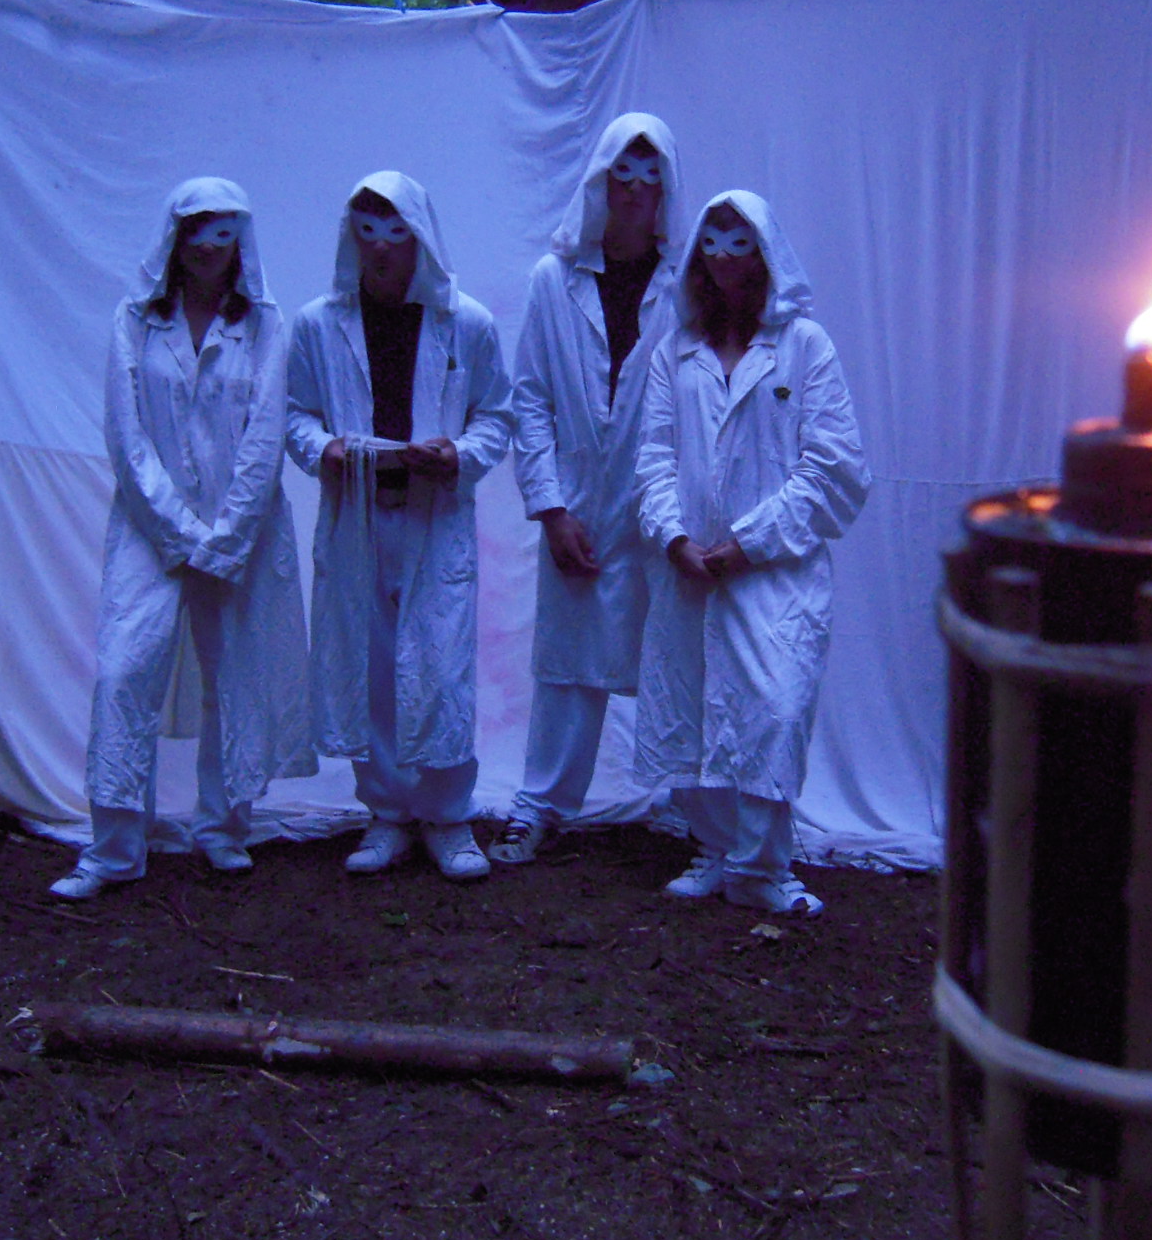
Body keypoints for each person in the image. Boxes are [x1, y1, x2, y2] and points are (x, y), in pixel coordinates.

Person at [52, 177, 314, 901]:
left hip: (245, 530)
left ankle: (223, 828)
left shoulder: (265, 324)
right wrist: (179, 530)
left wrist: (225, 537)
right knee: (123, 671)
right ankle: (113, 847)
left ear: (241, 241)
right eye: (195, 229)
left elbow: (265, 435)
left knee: (235, 677)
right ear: (173, 235)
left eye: (223, 232)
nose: (207, 246)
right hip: (148, 528)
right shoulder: (134, 321)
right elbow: (126, 434)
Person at [633, 190, 871, 917]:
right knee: (694, 706)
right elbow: (653, 454)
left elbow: (834, 466)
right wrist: (674, 537)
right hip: (691, 571)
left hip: (776, 574)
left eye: (742, 243)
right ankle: (715, 848)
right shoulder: (676, 352)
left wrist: (752, 541)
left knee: (773, 707)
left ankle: (764, 868)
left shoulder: (805, 345)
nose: (726, 260)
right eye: (713, 243)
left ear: (767, 253)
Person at [286, 172, 512, 882]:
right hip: (357, 517)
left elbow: (496, 414)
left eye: (396, 233)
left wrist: (459, 455)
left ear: (420, 237)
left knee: (440, 667)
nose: (382, 248)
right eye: (368, 232)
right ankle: (386, 811)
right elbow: (294, 412)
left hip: (434, 519)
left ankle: (447, 816)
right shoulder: (318, 324)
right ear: (350, 236)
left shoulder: (466, 323)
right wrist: (321, 449)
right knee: (372, 667)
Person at [490, 114, 686, 865]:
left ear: (666, 187)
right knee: (567, 660)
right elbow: (532, 397)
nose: (634, 191)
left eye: (649, 175)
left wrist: (678, 507)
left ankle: (695, 808)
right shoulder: (556, 278)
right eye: (621, 174)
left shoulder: (684, 285)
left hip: (662, 500)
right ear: (600, 180)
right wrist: (551, 507)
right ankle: (540, 804)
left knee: (677, 651)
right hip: (578, 499)